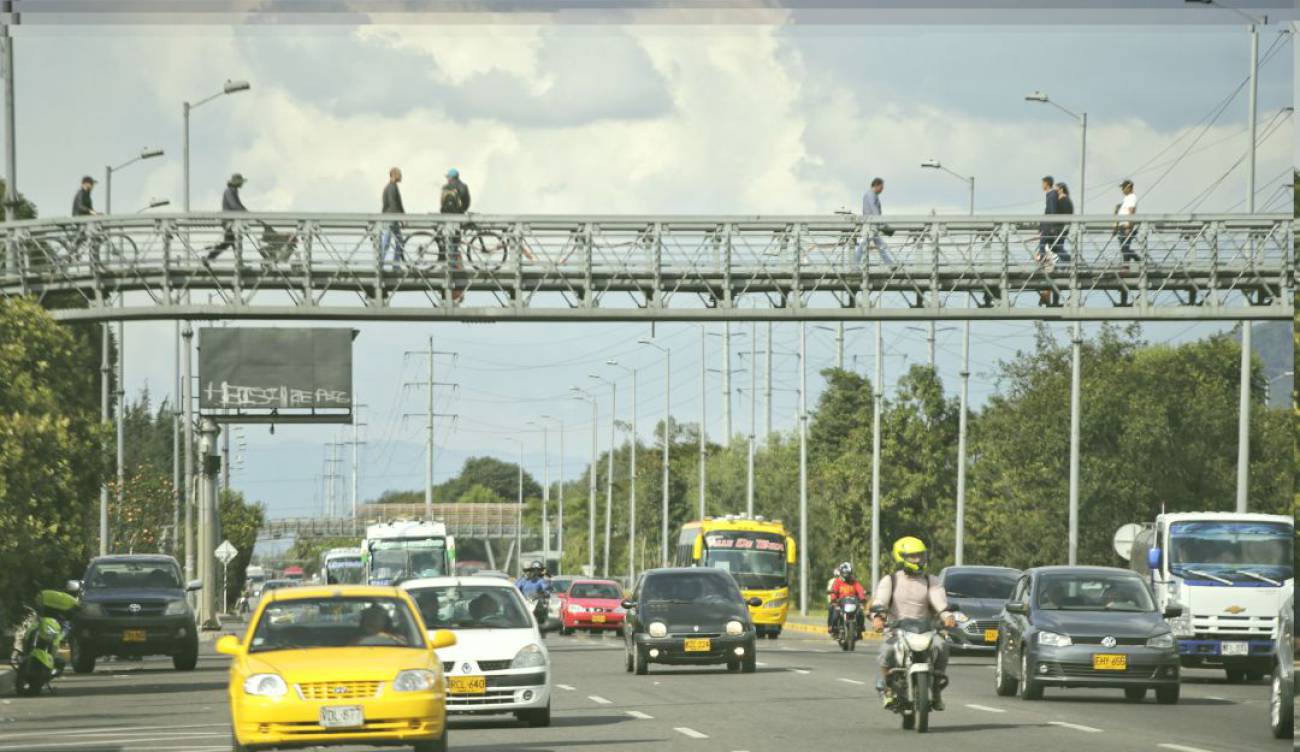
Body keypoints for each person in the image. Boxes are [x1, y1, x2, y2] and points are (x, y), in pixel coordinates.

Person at [870, 536, 956, 711]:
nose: (918, 560)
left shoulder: (931, 580)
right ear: (901, 557)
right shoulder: (891, 580)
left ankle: (937, 688)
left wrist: (947, 615)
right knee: (887, 650)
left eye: (920, 555)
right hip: (898, 630)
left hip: (926, 629)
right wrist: (878, 617)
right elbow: (880, 601)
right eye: (913, 556)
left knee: (942, 646)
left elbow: (938, 599)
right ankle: (887, 689)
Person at [439, 168, 470, 303]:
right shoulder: (463, 187)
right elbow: (467, 202)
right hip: (457, 218)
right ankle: (452, 264)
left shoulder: (445, 187)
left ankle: (449, 264)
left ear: (450, 177)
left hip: (447, 217)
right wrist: (461, 212)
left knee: (448, 241)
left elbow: (441, 202)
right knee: (455, 242)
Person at [205, 173, 249, 262]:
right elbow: (234, 205)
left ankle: (211, 257)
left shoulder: (233, 191)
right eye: (241, 182)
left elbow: (238, 205)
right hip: (229, 222)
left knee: (230, 241)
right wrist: (244, 212)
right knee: (233, 241)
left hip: (232, 222)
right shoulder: (229, 191)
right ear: (237, 183)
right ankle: (238, 262)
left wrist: (245, 211)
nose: (242, 184)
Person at [855, 177, 895, 266]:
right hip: (871, 225)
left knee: (878, 245)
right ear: (876, 185)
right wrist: (882, 223)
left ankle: (890, 264)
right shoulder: (871, 195)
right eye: (881, 187)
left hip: (872, 224)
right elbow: (874, 209)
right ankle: (854, 265)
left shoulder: (870, 194)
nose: (882, 189)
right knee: (864, 245)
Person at [827, 562, 868, 635]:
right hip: (841, 602)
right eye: (844, 573)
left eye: (848, 574)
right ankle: (833, 627)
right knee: (835, 612)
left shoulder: (854, 582)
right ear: (841, 573)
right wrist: (834, 599)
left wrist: (862, 598)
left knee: (860, 613)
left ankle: (860, 627)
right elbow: (834, 591)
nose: (846, 576)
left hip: (853, 601)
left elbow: (860, 590)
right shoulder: (837, 582)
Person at [381, 167, 405, 265]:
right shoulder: (391, 187)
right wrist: (401, 218)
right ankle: (381, 263)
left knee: (398, 242)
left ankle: (394, 264)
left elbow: (398, 204)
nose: (401, 176)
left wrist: (402, 217)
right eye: (399, 174)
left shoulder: (392, 186)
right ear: (394, 175)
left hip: (392, 218)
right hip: (391, 218)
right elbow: (393, 204)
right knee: (387, 242)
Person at [1036, 175, 1058, 264]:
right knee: (1048, 246)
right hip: (1047, 226)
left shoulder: (1052, 195)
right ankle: (1047, 260)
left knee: (1042, 244)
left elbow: (1052, 212)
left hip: (1049, 227)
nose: (1041, 185)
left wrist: (1053, 227)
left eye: (1042, 183)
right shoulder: (1050, 195)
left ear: (1046, 184)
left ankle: (1043, 259)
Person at [1116, 179, 1138, 265]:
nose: (1122, 190)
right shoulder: (1126, 198)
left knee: (1124, 247)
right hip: (1123, 225)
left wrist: (1129, 226)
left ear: (1129, 187)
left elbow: (1131, 211)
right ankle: (1129, 264)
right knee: (1124, 247)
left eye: (1123, 187)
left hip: (1126, 226)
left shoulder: (1132, 197)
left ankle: (1128, 265)